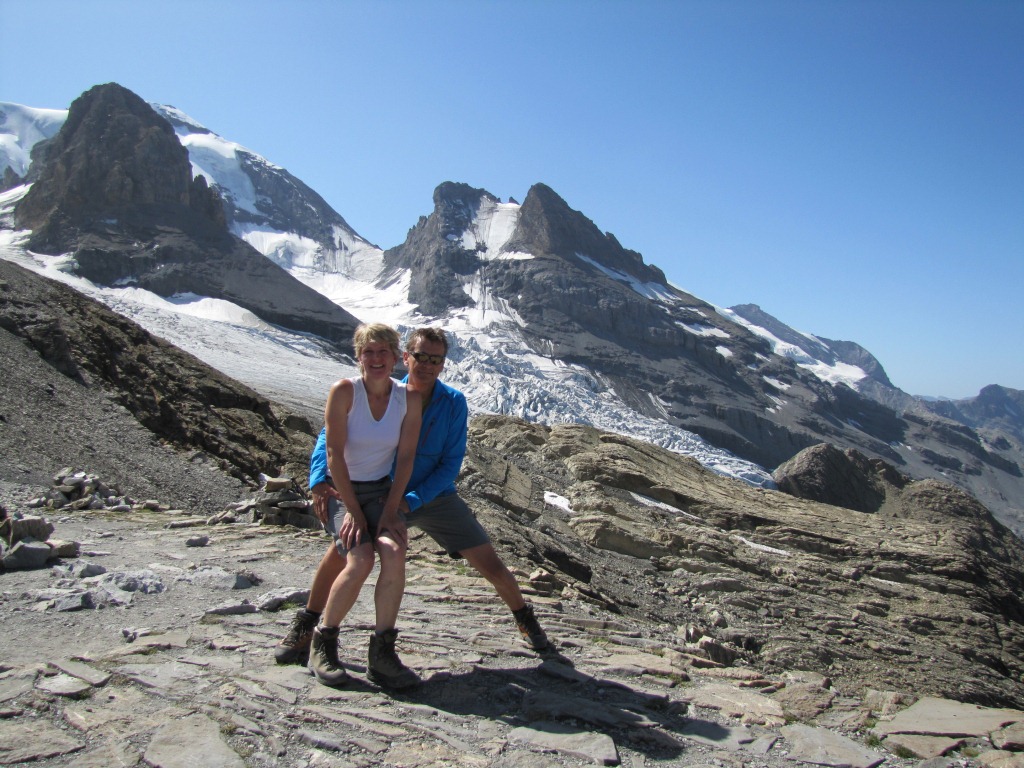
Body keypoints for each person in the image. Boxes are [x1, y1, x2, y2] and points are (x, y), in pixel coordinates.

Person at [275, 327, 549, 674]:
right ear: (407, 357)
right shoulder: (384, 391)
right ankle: (309, 627)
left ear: (443, 364)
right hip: (378, 491)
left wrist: (409, 502)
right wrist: (318, 480)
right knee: (345, 551)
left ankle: (525, 619)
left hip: (429, 496)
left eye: (435, 359)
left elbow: (450, 463)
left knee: (489, 563)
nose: (426, 365)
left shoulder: (452, 403)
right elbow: (330, 438)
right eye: (420, 356)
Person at [305, 323, 422, 690]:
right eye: (368, 352)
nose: (376, 359)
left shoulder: (409, 399)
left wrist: (390, 509)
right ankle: (323, 641)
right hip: (343, 493)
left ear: (394, 356)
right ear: (358, 357)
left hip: (380, 492)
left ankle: (382, 653)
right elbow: (334, 453)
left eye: (383, 351)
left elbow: (405, 459)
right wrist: (353, 510)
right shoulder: (344, 392)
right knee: (361, 558)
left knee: (393, 550)